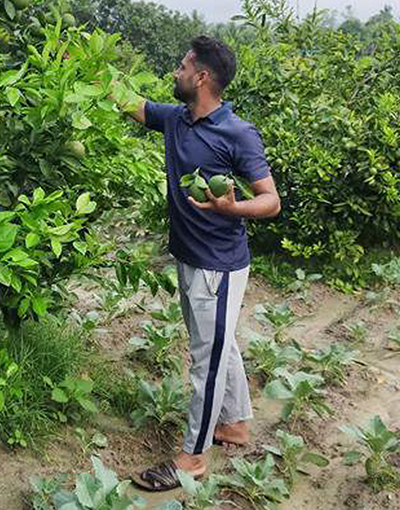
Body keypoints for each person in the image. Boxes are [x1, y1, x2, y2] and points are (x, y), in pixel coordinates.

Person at [114, 36, 281, 491]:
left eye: (183, 65)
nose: (176, 71)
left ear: (202, 77)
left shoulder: (238, 133)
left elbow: (270, 201)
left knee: (205, 360)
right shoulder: (177, 119)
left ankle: (192, 460)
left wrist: (232, 209)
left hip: (218, 267)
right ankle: (236, 425)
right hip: (190, 259)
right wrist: (83, 65)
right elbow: (130, 102)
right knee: (218, 346)